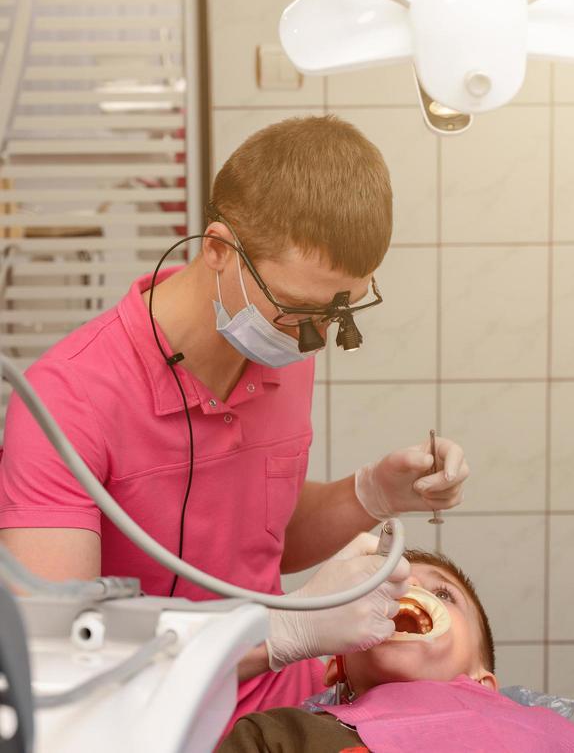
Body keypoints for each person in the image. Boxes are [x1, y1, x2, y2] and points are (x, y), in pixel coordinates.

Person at [0, 115, 469, 732]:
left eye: (342, 309)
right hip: (155, 726)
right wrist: (287, 631)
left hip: (292, 718)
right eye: (298, 309)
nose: (319, 337)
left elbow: (260, 535)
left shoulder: (284, 349)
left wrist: (371, 493)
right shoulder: (69, 400)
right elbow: (58, 658)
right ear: (218, 249)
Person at [218, 547, 574, 753]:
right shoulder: (282, 735)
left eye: (443, 592)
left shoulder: (547, 736)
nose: (413, 591)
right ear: (335, 669)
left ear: (485, 682)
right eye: (386, 589)